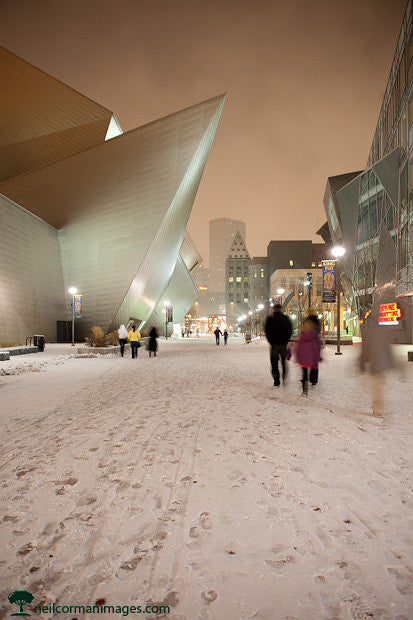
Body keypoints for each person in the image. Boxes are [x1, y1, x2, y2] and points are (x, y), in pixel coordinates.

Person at [359, 316, 394, 416]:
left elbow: (364, 352)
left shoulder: (369, 336)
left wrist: (362, 364)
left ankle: (377, 409)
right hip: (382, 366)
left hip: (375, 367)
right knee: (378, 388)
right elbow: (389, 351)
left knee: (377, 388)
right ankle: (378, 408)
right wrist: (391, 363)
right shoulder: (384, 335)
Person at [264, 304, 293, 386]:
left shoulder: (270, 319)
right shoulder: (285, 319)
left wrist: (270, 340)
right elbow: (290, 330)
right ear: (280, 309)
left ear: (273, 310)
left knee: (274, 363)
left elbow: (267, 331)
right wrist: (286, 340)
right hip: (283, 344)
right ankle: (284, 375)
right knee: (283, 361)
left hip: (274, 345)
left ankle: (276, 380)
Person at [295, 316, 322, 396]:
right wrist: (318, 357)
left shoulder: (301, 337)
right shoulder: (314, 337)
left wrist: (295, 356)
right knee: (311, 370)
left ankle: (304, 389)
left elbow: (297, 348)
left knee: (304, 373)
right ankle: (312, 381)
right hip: (311, 359)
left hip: (303, 359)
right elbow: (317, 348)